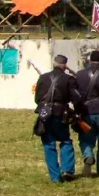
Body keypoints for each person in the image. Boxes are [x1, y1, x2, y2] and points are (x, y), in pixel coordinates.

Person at [34, 55, 81, 183]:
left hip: (45, 114)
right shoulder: (68, 79)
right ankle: (67, 170)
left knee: (49, 144)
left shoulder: (43, 78)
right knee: (65, 141)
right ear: (64, 66)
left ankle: (55, 177)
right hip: (61, 114)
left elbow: (37, 99)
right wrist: (78, 113)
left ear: (54, 64)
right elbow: (76, 98)